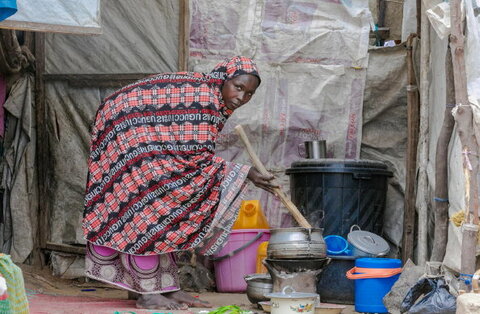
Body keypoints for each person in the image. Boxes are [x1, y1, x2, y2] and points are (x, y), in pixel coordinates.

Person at [82, 56, 277, 310]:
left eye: (249, 93)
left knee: (167, 209)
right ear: (223, 79)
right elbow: (195, 161)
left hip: (139, 131)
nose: (242, 97)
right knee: (149, 204)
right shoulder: (205, 100)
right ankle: (147, 293)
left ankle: (166, 288)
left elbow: (188, 154)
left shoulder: (215, 100)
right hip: (125, 130)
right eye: (238, 87)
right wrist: (247, 173)